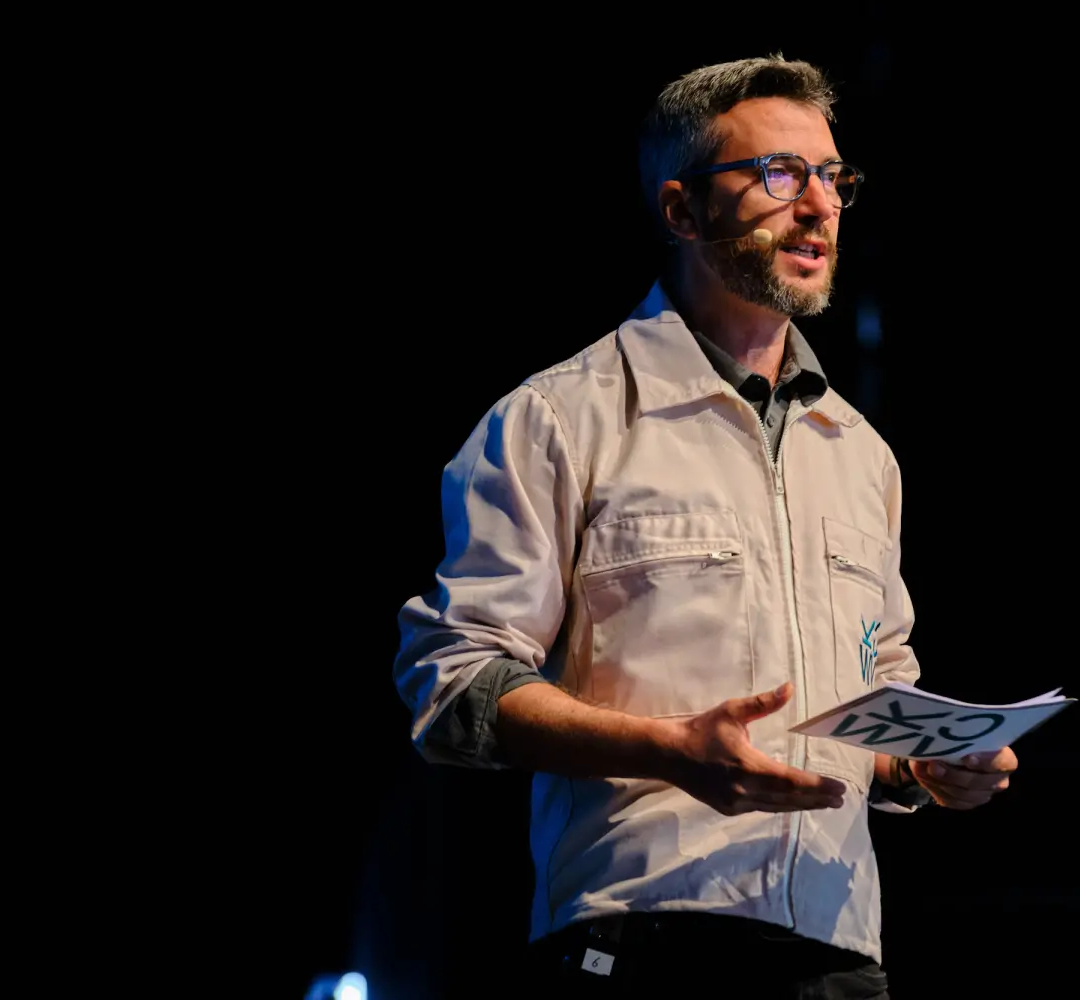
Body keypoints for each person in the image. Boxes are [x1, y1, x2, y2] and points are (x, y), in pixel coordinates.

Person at [393, 54, 1018, 998]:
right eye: (779, 175)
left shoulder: (860, 451)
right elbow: (453, 686)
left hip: (839, 951)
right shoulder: (561, 418)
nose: (819, 207)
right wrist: (668, 750)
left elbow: (875, 681)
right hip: (644, 933)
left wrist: (923, 763)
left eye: (832, 178)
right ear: (682, 210)